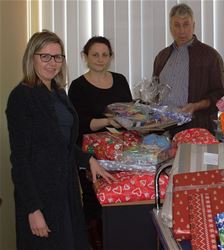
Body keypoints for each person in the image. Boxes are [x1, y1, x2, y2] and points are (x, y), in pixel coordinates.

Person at [5, 30, 115, 250]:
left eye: (57, 57)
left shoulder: (57, 93)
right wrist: (33, 209)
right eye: (45, 56)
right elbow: (20, 160)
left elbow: (61, 143)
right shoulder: (21, 97)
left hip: (66, 189)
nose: (52, 62)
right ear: (31, 57)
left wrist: (88, 159)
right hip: (41, 195)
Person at [68, 36, 133, 250]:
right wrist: (108, 121)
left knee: (122, 198)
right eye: (95, 55)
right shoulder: (78, 86)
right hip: (91, 154)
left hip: (121, 152)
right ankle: (95, 243)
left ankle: (119, 240)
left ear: (111, 57)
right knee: (93, 200)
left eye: (105, 55)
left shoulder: (121, 80)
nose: (100, 59)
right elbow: (80, 123)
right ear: (85, 57)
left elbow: (130, 111)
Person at [153, 3, 224, 137]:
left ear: (193, 25)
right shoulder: (161, 56)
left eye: (186, 24)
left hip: (195, 127)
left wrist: (195, 106)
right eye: (177, 25)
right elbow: (154, 91)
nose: (182, 30)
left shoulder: (210, 56)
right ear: (171, 27)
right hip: (163, 128)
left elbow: (220, 95)